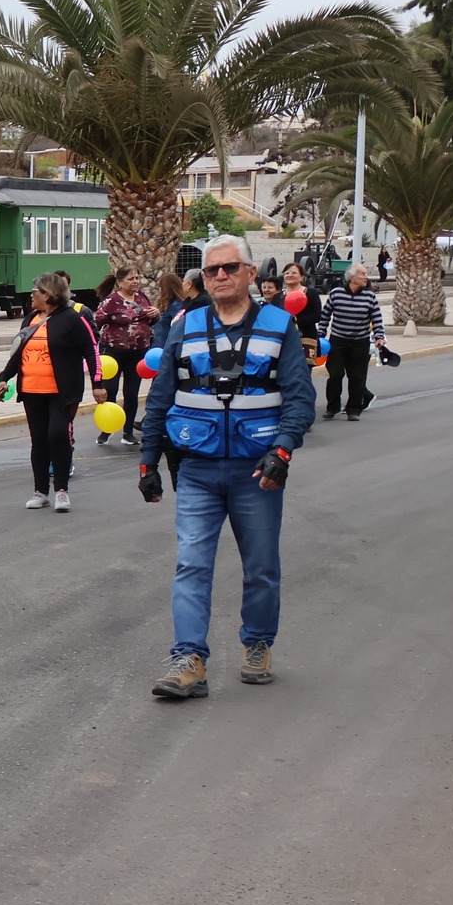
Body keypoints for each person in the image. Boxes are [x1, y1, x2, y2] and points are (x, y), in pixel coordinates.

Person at [138, 234, 316, 700]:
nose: (219, 276)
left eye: (230, 268)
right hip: (196, 468)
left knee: (260, 566)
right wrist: (147, 460)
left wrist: (281, 451)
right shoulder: (186, 325)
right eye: (212, 270)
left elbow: (300, 400)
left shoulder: (280, 326)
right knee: (191, 564)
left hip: (257, 470)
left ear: (250, 274)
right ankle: (189, 660)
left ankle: (257, 645)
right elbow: (161, 397)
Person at [0, 272, 105, 512]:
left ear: (49, 294)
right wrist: (4, 378)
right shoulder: (30, 319)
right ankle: (40, 491)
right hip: (32, 390)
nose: (32, 294)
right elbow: (18, 355)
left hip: (62, 391)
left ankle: (62, 490)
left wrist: (98, 384)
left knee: (57, 434)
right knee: (39, 440)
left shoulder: (73, 319)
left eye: (36, 290)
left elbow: (91, 350)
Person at [91, 266, 158, 447]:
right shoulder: (111, 302)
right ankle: (107, 428)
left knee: (131, 392)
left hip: (138, 352)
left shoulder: (142, 298)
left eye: (137, 277)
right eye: (131, 279)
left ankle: (128, 432)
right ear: (119, 282)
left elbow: (150, 319)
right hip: (113, 352)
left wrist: (156, 314)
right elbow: (96, 322)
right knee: (110, 390)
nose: (135, 281)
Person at [318, 264, 387, 420]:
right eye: (362, 274)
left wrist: (379, 337)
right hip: (337, 341)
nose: (365, 277)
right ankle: (332, 407)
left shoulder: (369, 296)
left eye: (366, 273)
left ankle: (354, 410)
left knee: (357, 377)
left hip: (360, 342)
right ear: (351, 277)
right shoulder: (336, 293)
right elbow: (325, 315)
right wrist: (321, 335)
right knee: (335, 375)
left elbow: (376, 318)